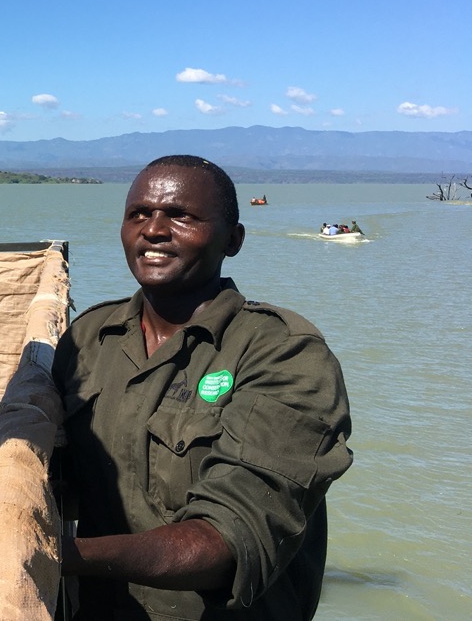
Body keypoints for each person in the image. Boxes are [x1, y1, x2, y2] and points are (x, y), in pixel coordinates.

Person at [52, 155, 352, 619]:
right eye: (139, 214)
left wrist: (53, 556)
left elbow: (228, 539)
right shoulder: (88, 338)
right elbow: (62, 479)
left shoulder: (285, 355)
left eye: (181, 216)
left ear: (233, 240)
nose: (153, 229)